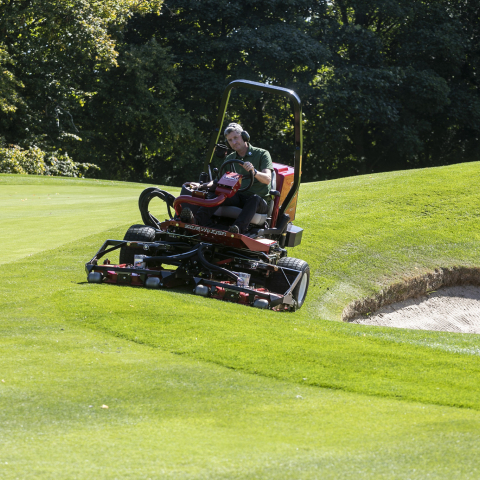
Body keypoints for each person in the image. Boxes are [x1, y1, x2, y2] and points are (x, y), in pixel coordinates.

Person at [181, 123, 273, 234]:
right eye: (230, 140)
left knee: (254, 198)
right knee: (220, 192)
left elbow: (267, 179)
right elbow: (217, 181)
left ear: (244, 136)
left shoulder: (262, 154)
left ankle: (237, 229)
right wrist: (201, 185)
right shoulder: (231, 158)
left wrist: (254, 172)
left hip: (259, 201)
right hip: (238, 196)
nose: (234, 142)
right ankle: (195, 221)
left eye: (236, 138)